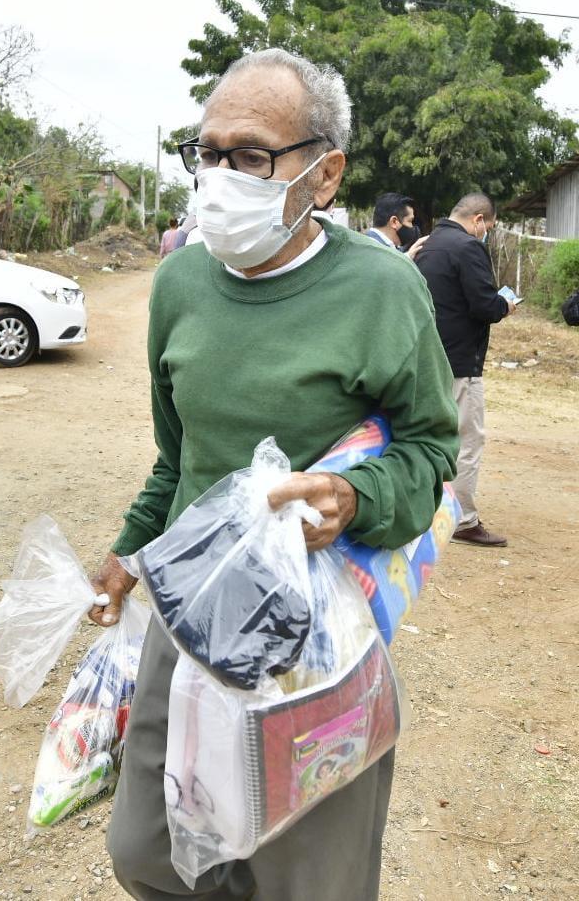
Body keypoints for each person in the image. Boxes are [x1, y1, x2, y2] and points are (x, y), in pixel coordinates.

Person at [91, 48, 459, 901]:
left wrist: (354, 497)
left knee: (306, 879)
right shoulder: (180, 282)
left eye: (250, 156)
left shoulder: (382, 289)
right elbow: (178, 456)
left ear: (324, 174)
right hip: (187, 607)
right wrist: (127, 554)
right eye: (207, 152)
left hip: (313, 636)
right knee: (149, 850)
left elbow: (432, 452)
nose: (218, 178)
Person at [416, 192, 515, 548]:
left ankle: (423, 509)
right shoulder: (469, 247)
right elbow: (484, 305)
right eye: (489, 226)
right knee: (468, 440)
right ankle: (462, 520)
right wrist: (504, 305)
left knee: (429, 437)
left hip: (428, 357)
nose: (486, 233)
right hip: (460, 361)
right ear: (478, 220)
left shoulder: (428, 244)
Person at [365, 192, 427, 260]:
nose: (412, 226)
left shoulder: (390, 247)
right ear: (394, 222)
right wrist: (406, 258)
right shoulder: (370, 249)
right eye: (410, 221)